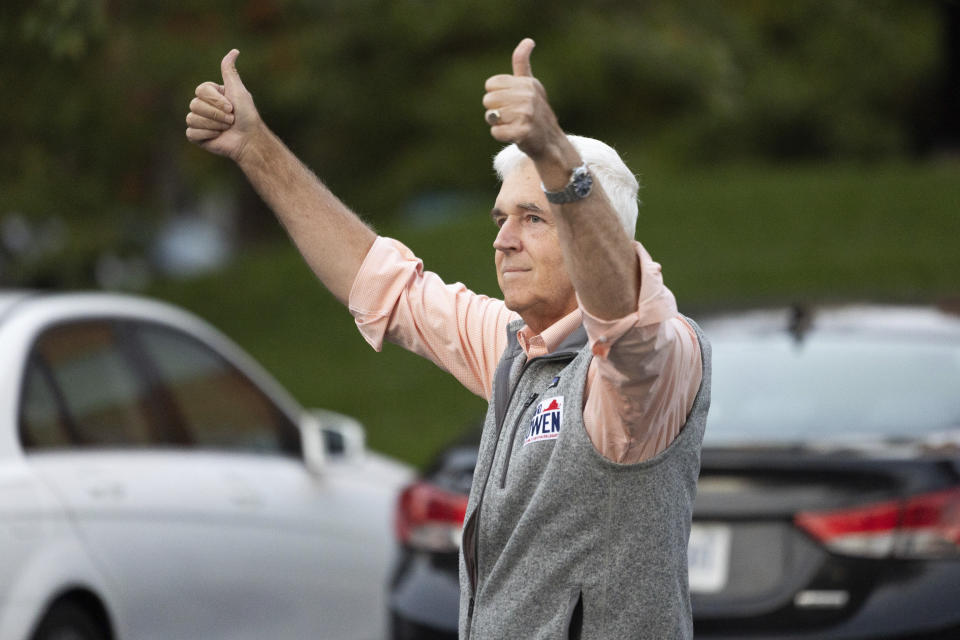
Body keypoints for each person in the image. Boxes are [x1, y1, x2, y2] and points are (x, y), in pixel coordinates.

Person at [186, 37, 710, 640]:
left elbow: (625, 319)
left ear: (597, 234)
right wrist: (255, 149)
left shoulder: (653, 366)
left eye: (532, 218)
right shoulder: (518, 345)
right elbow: (382, 282)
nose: (503, 239)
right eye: (501, 218)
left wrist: (554, 154)